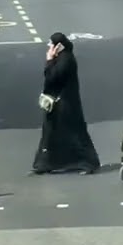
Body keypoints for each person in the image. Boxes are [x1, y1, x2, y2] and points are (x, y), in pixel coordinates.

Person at [32, 33, 101, 175]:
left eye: (52, 45)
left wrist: (49, 61)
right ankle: (44, 163)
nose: (50, 47)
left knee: (75, 134)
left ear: (59, 46)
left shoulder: (66, 59)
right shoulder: (63, 58)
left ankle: (88, 163)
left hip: (65, 104)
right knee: (50, 134)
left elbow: (52, 77)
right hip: (59, 103)